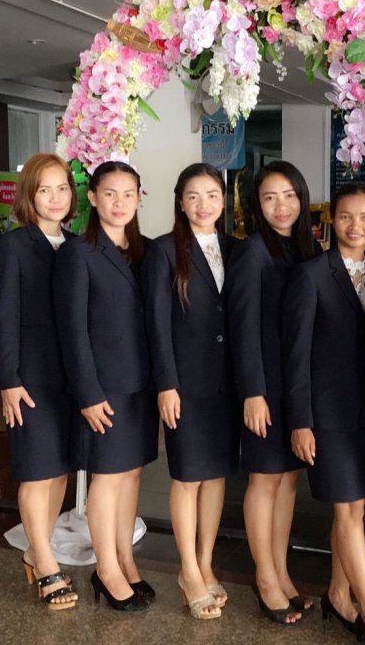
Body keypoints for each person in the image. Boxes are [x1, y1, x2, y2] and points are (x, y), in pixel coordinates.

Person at [282, 183, 365, 645]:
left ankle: (338, 592)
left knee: (356, 506)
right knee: (348, 508)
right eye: (347, 216)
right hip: (328, 415)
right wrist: (300, 420)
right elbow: (296, 356)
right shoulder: (311, 275)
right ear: (333, 219)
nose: (356, 226)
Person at [53, 160, 156, 612]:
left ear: (138, 199)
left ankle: (126, 560)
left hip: (141, 384)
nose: (119, 203)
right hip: (104, 388)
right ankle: (106, 569)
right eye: (109, 193)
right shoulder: (78, 253)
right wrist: (88, 394)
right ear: (93, 198)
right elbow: (72, 330)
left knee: (131, 473)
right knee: (108, 476)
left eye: (128, 194)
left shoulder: (144, 251)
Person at [141, 163, 240, 621]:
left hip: (227, 384)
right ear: (181, 202)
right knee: (187, 476)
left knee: (216, 476)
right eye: (194, 196)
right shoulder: (164, 251)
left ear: (224, 201)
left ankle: (205, 562)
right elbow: (157, 323)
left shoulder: (235, 249)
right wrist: (166, 384)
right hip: (185, 383)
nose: (204, 204)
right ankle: (187, 570)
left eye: (212, 195)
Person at [226, 160, 320, 624]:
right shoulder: (252, 252)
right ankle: (264, 578)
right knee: (264, 480)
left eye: (288, 196)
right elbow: (242, 327)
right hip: (264, 387)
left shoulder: (307, 248)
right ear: (255, 206)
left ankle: (281, 572)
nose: (281, 206)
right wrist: (252, 392)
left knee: (288, 480)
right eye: (269, 198)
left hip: (297, 387)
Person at [0, 152, 79, 611]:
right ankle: (45, 563)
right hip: (30, 378)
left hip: (72, 377)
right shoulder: (13, 246)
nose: (55, 198)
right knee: (35, 468)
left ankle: (37, 549)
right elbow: (4, 317)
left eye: (62, 188)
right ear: (29, 195)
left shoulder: (77, 244)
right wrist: (8, 379)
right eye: (44, 189)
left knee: (60, 468)